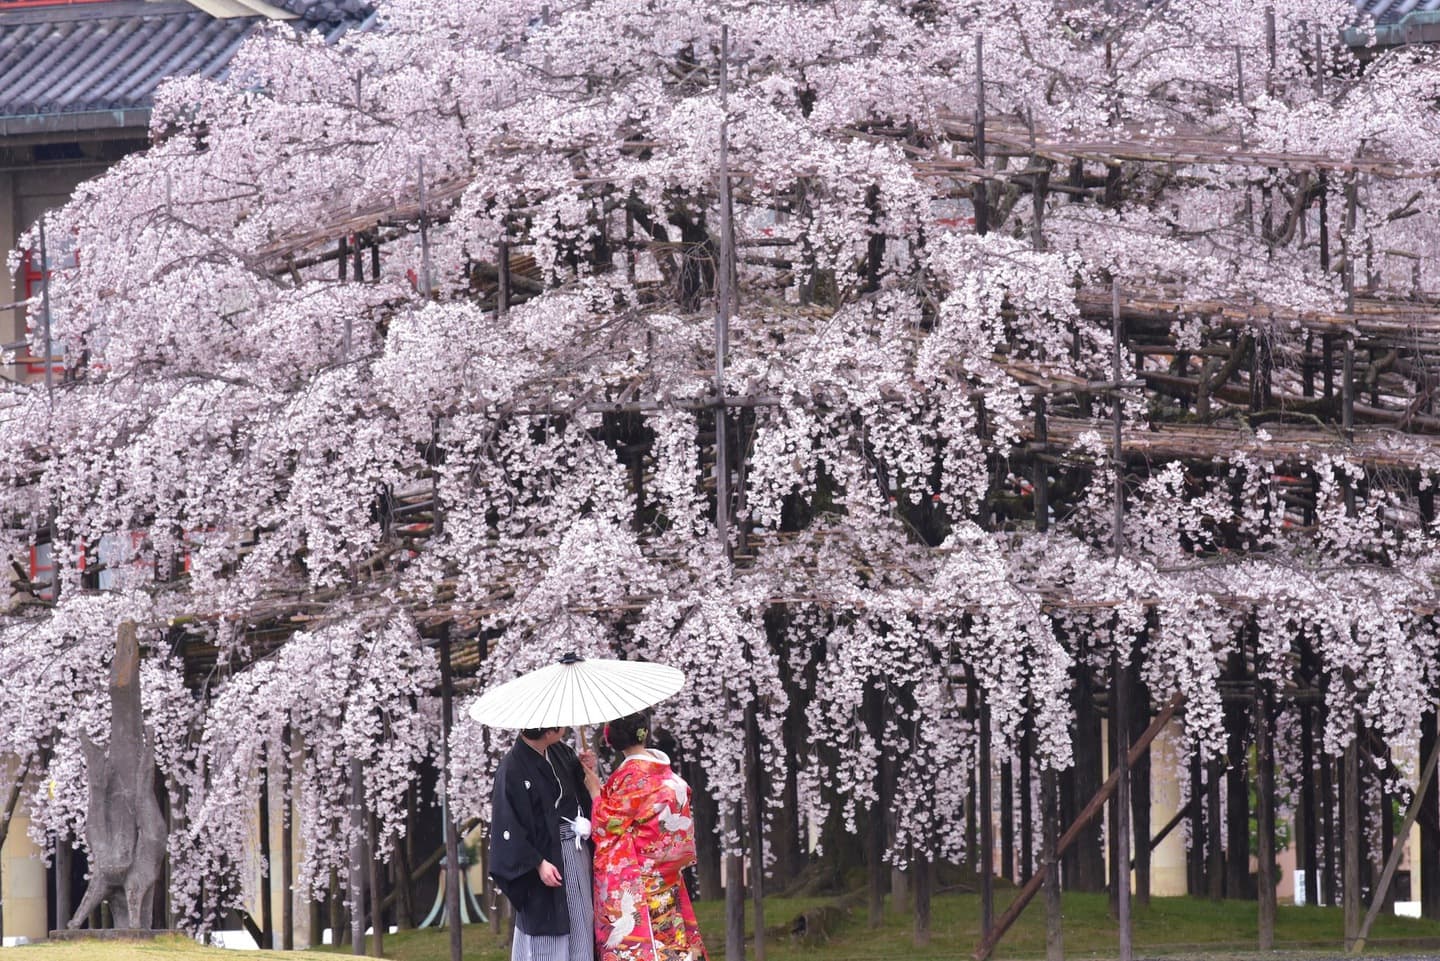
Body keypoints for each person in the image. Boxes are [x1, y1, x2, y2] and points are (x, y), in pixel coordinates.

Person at [592, 713, 708, 961]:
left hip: (641, 878)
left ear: (612, 740)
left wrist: (594, 792)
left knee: (650, 946)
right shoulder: (665, 771)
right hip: (667, 875)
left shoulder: (631, 777)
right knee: (672, 940)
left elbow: (607, 825)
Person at [490, 726, 603, 961]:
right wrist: (538, 863)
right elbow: (507, 824)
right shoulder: (511, 768)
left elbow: (578, 794)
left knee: (582, 916)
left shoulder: (561, 752)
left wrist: (584, 769)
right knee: (547, 927)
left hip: (575, 850)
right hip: (542, 860)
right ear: (548, 732)